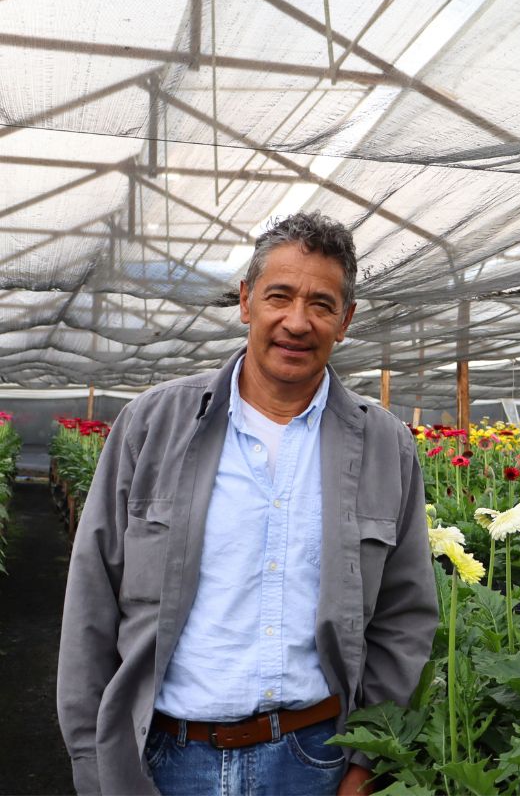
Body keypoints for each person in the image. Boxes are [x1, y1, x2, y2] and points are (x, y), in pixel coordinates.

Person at [57, 212, 438, 795]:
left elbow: (405, 613)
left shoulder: (386, 445)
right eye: (279, 296)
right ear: (245, 301)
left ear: (346, 320)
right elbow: (91, 602)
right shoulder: (152, 426)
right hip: (165, 757)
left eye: (321, 304)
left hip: (316, 760)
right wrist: (93, 759)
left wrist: (366, 761)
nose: (296, 322)